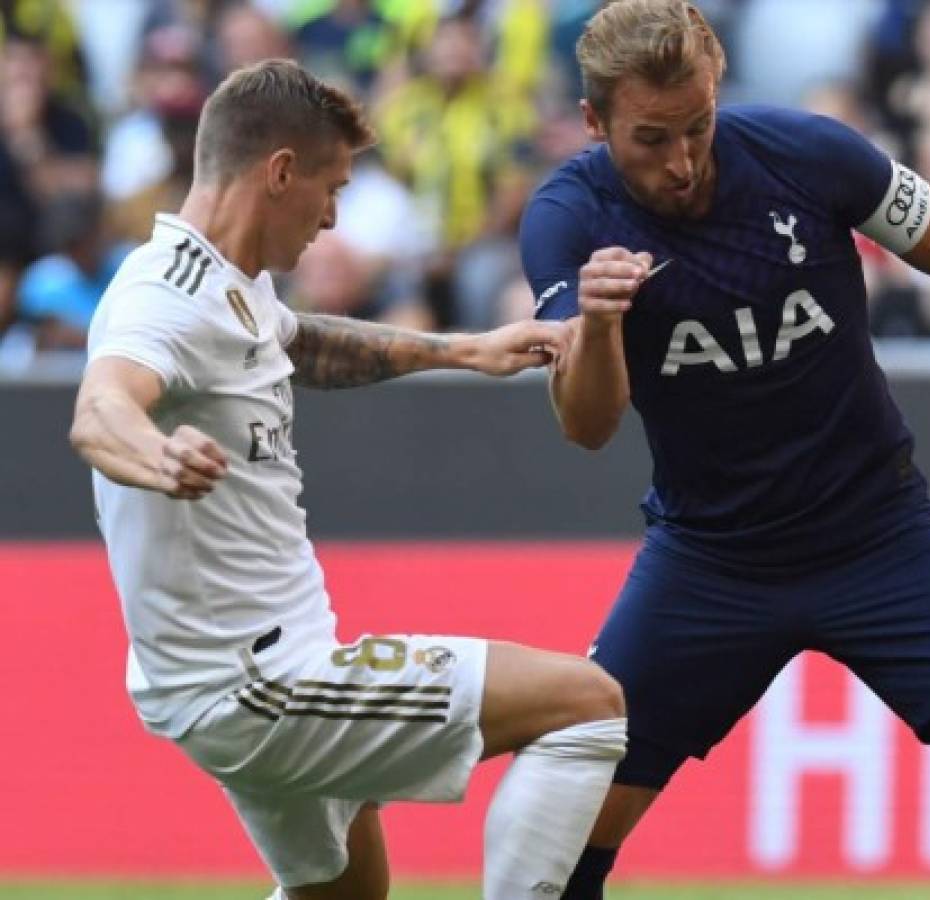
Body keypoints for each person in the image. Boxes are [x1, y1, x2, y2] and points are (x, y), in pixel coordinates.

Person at [519, 2, 930, 898]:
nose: (681, 161)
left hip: (877, 538)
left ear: (719, 94)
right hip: (708, 562)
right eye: (649, 138)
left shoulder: (809, 154)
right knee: (560, 842)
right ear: (594, 123)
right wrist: (597, 325)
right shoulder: (566, 217)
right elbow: (587, 425)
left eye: (698, 126)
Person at [69, 59, 626, 900]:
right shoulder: (166, 296)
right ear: (279, 172)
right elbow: (99, 409)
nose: (332, 218)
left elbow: (303, 347)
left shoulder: (232, 287)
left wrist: (462, 349)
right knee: (588, 702)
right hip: (261, 687)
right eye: (330, 189)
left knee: (348, 894)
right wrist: (157, 454)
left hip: (241, 677)